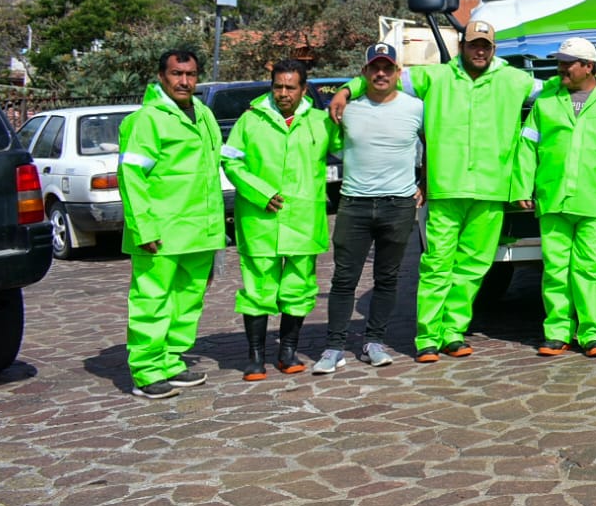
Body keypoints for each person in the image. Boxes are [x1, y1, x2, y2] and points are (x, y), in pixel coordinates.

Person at [330, 19, 537, 362]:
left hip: (492, 188)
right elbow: (384, 75)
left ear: (493, 48)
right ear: (462, 47)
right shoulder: (434, 77)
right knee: (437, 264)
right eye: (473, 44)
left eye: (485, 45)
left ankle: (453, 332)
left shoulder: (514, 80)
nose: (480, 51)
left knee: (473, 267)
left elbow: (559, 88)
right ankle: (428, 336)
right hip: (446, 187)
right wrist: (347, 89)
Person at [117, 49, 225, 399]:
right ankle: (147, 370)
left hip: (198, 231)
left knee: (187, 301)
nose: (184, 81)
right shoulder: (147, 119)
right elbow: (131, 175)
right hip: (160, 232)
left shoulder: (204, 114)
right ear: (162, 76)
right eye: (177, 74)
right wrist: (143, 228)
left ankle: (170, 360)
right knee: (152, 300)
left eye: (191, 74)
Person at [512, 37, 596, 358]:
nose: (561, 68)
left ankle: (592, 333)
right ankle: (557, 332)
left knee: (592, 269)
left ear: (588, 66)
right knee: (556, 269)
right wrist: (523, 187)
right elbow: (527, 144)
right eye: (560, 62)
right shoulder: (547, 99)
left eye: (568, 62)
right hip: (553, 197)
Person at [223, 59, 336, 378]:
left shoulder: (321, 122)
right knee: (257, 290)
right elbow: (231, 163)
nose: (284, 93)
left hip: (303, 220)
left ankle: (287, 352)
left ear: (303, 89)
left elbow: (349, 147)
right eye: (278, 86)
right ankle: (255, 356)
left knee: (298, 289)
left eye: (290, 87)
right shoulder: (250, 121)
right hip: (260, 221)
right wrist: (259, 193)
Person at [320, 42, 423, 373]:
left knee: (388, 277)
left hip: (399, 205)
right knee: (344, 278)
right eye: (375, 68)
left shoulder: (416, 108)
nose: (381, 73)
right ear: (363, 73)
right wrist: (343, 93)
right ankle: (334, 347)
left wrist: (426, 185)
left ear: (398, 73)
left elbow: (434, 145)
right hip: (355, 205)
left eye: (388, 68)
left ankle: (373, 342)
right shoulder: (346, 110)